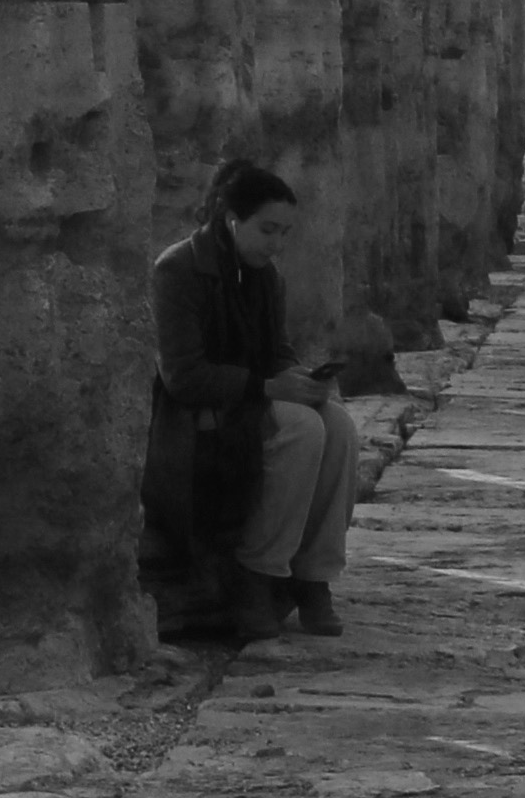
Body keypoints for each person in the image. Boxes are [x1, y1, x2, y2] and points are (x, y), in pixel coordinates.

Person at [144, 155, 362, 644]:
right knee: (301, 429)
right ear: (231, 220)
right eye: (268, 230)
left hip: (249, 401)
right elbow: (183, 377)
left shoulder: (264, 277)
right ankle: (257, 572)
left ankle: (314, 573)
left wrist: (300, 377)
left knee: (339, 426)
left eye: (285, 233)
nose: (277, 243)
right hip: (195, 418)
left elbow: (275, 352)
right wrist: (265, 387)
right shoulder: (177, 270)